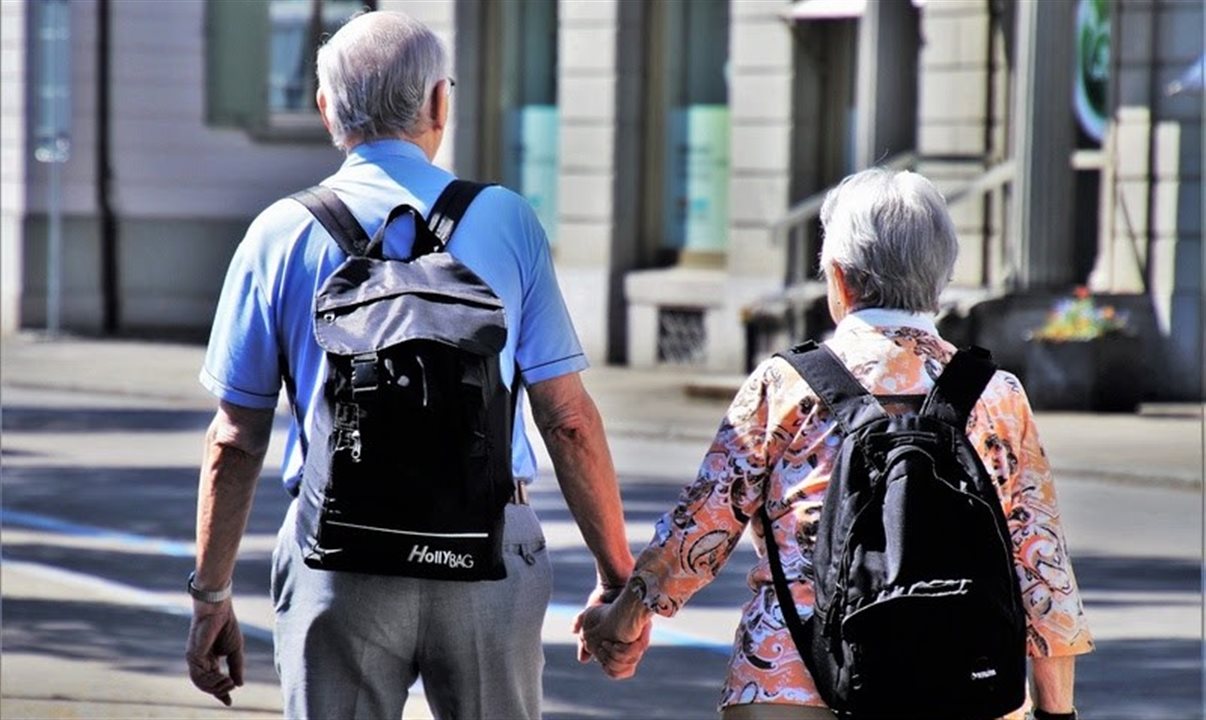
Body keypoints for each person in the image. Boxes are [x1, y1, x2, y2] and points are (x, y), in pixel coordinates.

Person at [185, 11, 646, 719]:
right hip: (488, 553)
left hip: (338, 557)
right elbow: (568, 418)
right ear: (439, 102)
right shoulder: (507, 220)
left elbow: (235, 440)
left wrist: (212, 596)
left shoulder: (278, 232)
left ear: (325, 109)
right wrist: (619, 579)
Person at [578, 168, 1094, 720]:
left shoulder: (785, 384)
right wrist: (1056, 711)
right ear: (940, 278)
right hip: (965, 683)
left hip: (794, 677)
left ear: (841, 279)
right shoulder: (997, 396)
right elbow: (1044, 570)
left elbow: (702, 527)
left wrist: (626, 616)